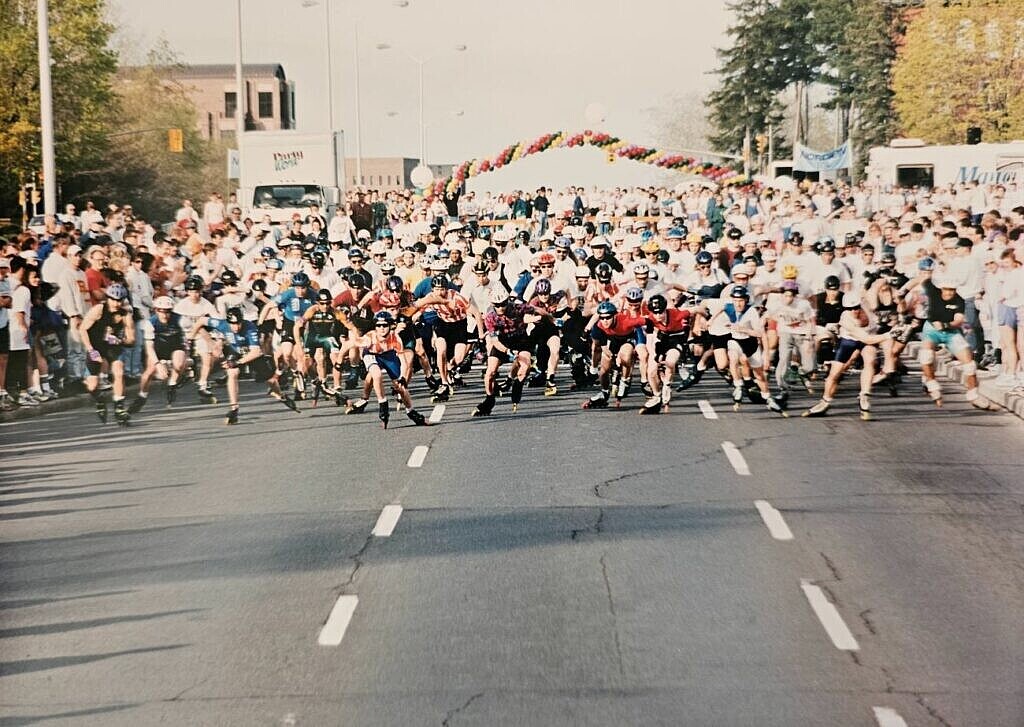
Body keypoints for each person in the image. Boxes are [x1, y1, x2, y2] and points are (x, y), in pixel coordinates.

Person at [79, 282, 136, 425]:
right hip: (96, 346)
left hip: (112, 347)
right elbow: (83, 329)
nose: (116, 304)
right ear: (108, 298)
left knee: (119, 372)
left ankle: (119, 407)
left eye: (120, 300)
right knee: (92, 385)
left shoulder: (125, 314)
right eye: (113, 300)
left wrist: (121, 340)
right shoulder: (98, 310)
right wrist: (90, 349)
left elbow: (131, 339)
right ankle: (100, 399)